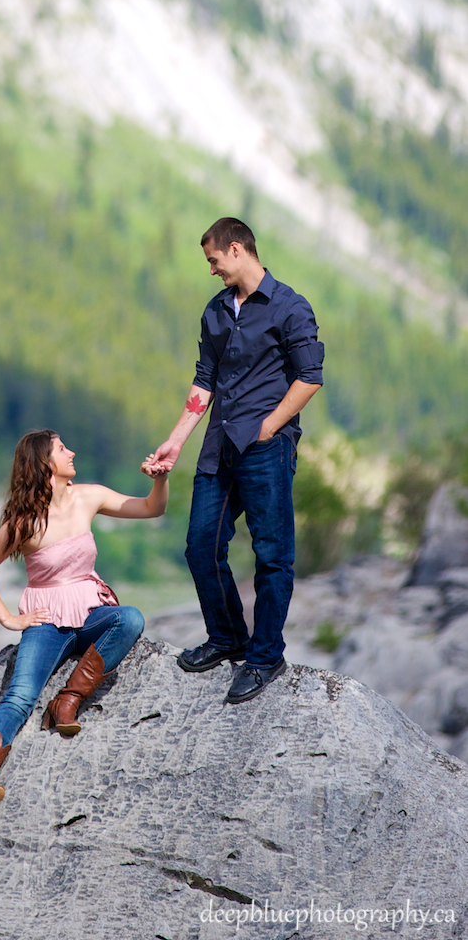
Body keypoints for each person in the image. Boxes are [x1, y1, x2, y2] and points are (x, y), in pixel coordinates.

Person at [144, 217, 323, 703]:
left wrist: (270, 426)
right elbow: (205, 379)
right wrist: (176, 440)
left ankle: (265, 656)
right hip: (219, 446)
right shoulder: (216, 311)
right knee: (201, 544)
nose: (211, 270)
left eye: (213, 259)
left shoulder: (290, 307)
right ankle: (227, 638)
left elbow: (309, 377)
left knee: (272, 554)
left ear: (237, 249)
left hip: (266, 446)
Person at [0, 428, 168, 810]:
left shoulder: (88, 496)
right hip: (47, 623)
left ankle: (68, 700)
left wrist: (161, 480)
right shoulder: (24, 521)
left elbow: (151, 508)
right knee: (21, 696)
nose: (71, 452)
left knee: (131, 619)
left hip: (90, 613)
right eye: (61, 448)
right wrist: (8, 618)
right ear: (45, 463)